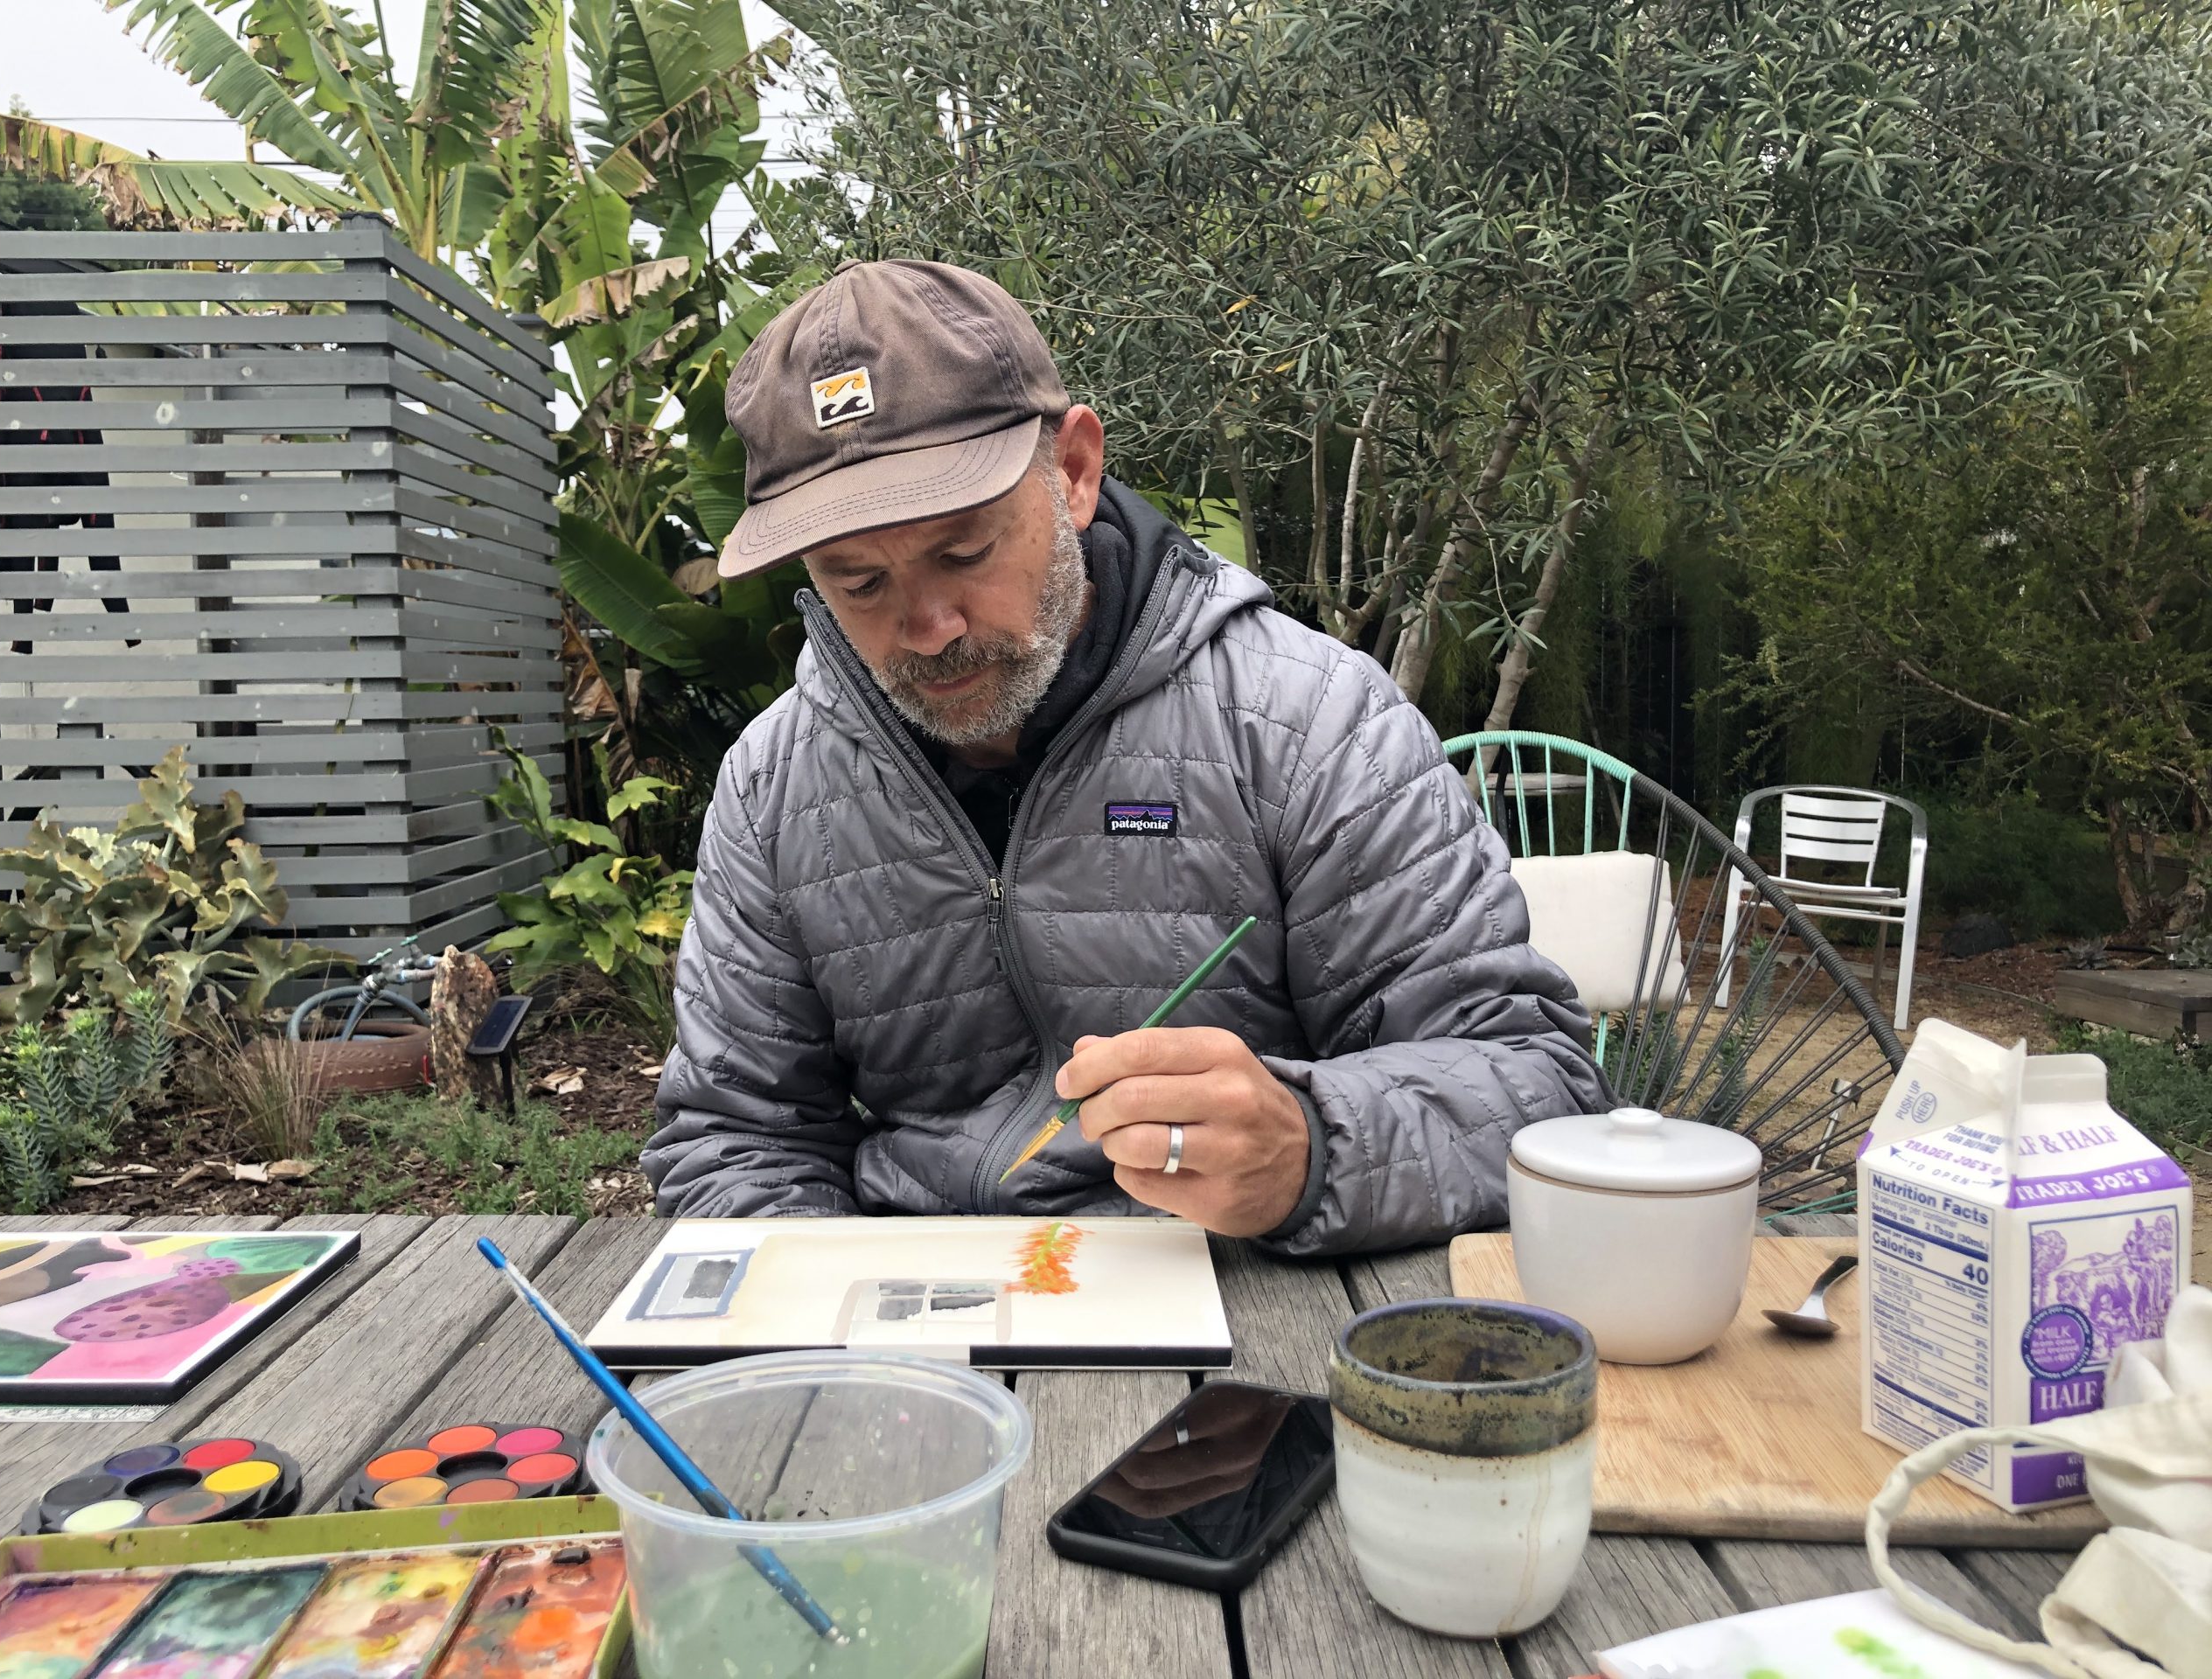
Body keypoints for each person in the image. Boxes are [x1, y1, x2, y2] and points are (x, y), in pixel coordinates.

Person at [642, 258, 1610, 1254]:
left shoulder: (1308, 719)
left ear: (1073, 471)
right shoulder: (774, 785)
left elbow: (1537, 1086)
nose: (929, 629)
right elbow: (734, 1137)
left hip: (1252, 1304)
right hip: (916, 1323)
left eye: (964, 552)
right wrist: (823, 1316)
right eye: (858, 583)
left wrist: (1311, 1148)